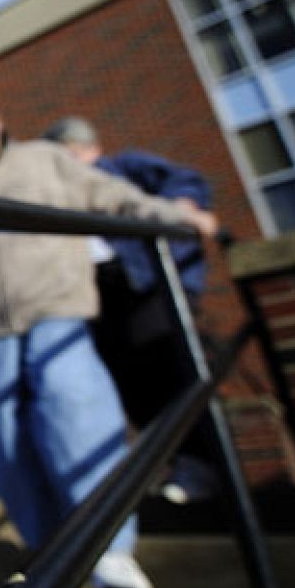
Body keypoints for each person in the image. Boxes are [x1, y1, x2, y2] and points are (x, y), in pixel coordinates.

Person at [0, 87, 217, 588]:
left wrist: (178, 217)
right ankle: (50, 554)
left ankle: (109, 549)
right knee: (7, 445)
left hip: (55, 310)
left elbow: (114, 196)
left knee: (75, 410)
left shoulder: (47, 160)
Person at [44, 116, 221, 503]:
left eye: (72, 157)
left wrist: (183, 209)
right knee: (131, 386)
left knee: (168, 373)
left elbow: (184, 180)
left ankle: (200, 468)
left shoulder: (125, 168)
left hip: (145, 285)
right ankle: (175, 467)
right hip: (97, 299)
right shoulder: (57, 193)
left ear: (91, 150)